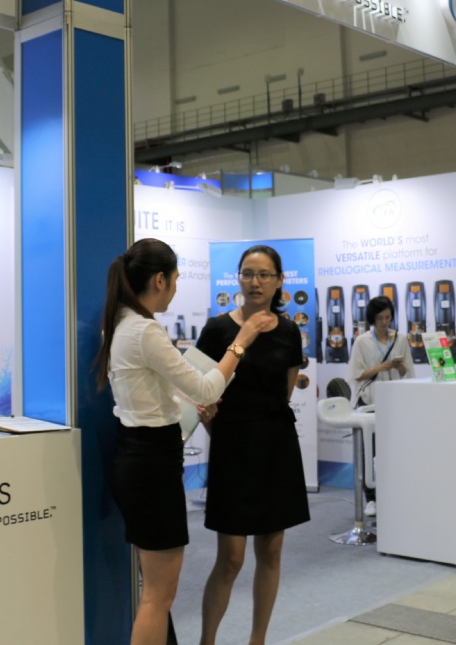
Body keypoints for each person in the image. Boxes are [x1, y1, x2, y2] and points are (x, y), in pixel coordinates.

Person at [95, 238, 273, 645]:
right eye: (174, 280)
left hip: (136, 457)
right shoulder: (145, 331)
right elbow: (207, 388)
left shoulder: (120, 323)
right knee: (158, 597)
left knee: (154, 592)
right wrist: (241, 341)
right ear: (159, 280)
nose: (174, 289)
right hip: (152, 465)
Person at [195, 244, 309, 645]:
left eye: (264, 274)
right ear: (238, 279)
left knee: (271, 551)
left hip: (276, 447)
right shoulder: (217, 329)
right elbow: (200, 392)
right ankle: (207, 641)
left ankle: (257, 639)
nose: (255, 282)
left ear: (279, 281)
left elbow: (284, 394)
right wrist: (219, 431)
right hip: (232, 448)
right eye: (247, 273)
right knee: (230, 558)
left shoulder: (289, 331)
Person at [346, 294, 410, 516]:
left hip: (393, 399)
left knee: (392, 450)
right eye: (380, 318)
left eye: (388, 317)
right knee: (368, 451)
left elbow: (407, 371)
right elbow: (356, 374)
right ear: (372, 319)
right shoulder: (362, 341)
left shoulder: (400, 339)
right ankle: (371, 498)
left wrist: (398, 366)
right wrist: (380, 367)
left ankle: (393, 493)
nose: (384, 322)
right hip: (369, 401)